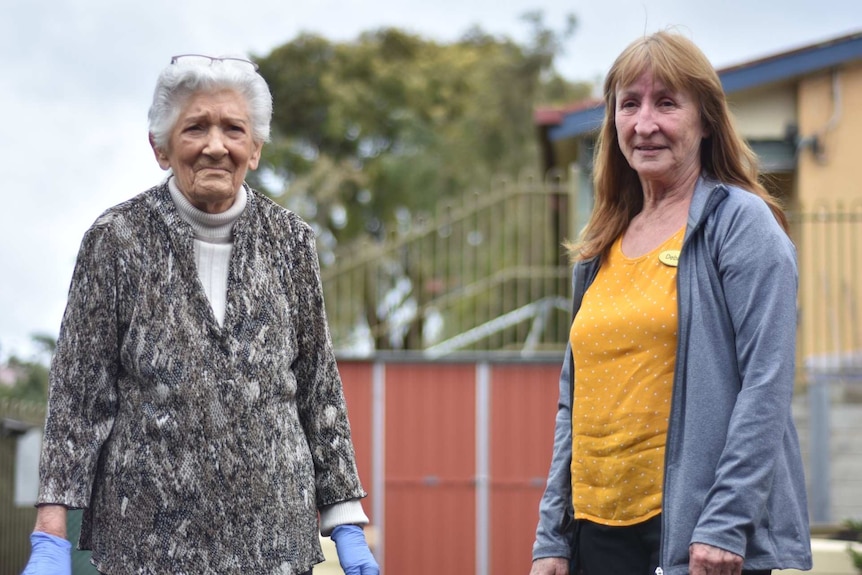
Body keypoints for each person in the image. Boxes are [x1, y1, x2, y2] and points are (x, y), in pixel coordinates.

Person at [21, 54, 379, 575]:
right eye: (195, 127)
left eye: (234, 129)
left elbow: (318, 386)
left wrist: (346, 519)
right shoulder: (116, 240)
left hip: (274, 543)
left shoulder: (292, 243)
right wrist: (50, 531)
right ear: (161, 148)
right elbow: (79, 397)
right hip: (145, 547)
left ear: (254, 149)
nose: (216, 145)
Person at [529, 31, 812, 575]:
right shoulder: (599, 246)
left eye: (666, 103)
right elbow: (573, 402)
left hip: (694, 538)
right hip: (596, 536)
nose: (645, 124)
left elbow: (767, 383)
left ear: (705, 118)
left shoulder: (740, 223)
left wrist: (726, 521)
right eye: (629, 104)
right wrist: (553, 537)